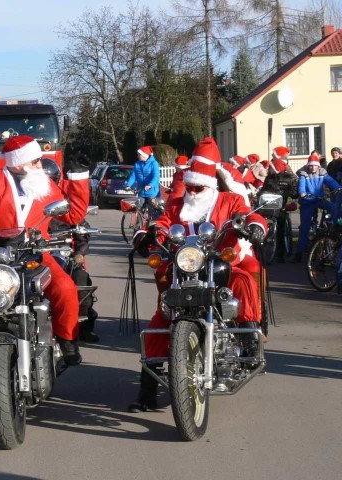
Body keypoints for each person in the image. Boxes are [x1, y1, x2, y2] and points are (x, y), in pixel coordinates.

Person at [0, 135, 90, 419]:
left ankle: (66, 341)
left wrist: (78, 178)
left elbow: (73, 214)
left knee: (65, 288)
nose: (41, 164)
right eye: (37, 160)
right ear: (21, 163)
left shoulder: (44, 184)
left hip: (36, 253)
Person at [129, 137, 267, 412]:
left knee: (241, 282)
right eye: (189, 186)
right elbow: (162, 223)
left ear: (210, 184)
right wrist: (150, 233)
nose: (191, 191)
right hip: (186, 268)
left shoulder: (230, 199)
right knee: (162, 315)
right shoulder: (178, 204)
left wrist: (255, 226)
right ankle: (147, 389)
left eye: (197, 187)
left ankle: (249, 340)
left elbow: (248, 215)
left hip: (221, 265)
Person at [42, 158, 99, 343]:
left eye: (50, 181)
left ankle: (82, 327)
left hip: (65, 255)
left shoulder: (65, 203)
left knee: (81, 280)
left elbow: (82, 231)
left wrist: (79, 254)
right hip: (36, 253)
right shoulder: (29, 204)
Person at [292, 154, 342, 263]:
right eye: (311, 166)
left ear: (318, 166)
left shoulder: (322, 173)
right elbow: (301, 185)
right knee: (305, 227)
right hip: (307, 202)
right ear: (308, 166)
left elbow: (331, 182)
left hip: (319, 199)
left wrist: (339, 188)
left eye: (315, 166)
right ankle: (299, 252)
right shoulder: (303, 174)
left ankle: (336, 227)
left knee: (334, 208)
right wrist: (302, 193)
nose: (313, 168)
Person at [125, 145, 161, 219]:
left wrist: (150, 185)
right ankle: (138, 226)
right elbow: (133, 176)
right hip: (141, 191)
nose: (137, 156)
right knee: (138, 209)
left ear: (145, 155)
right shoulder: (137, 164)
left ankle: (154, 226)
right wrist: (128, 185)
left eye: (139, 154)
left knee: (153, 211)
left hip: (152, 192)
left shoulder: (154, 163)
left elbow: (156, 177)